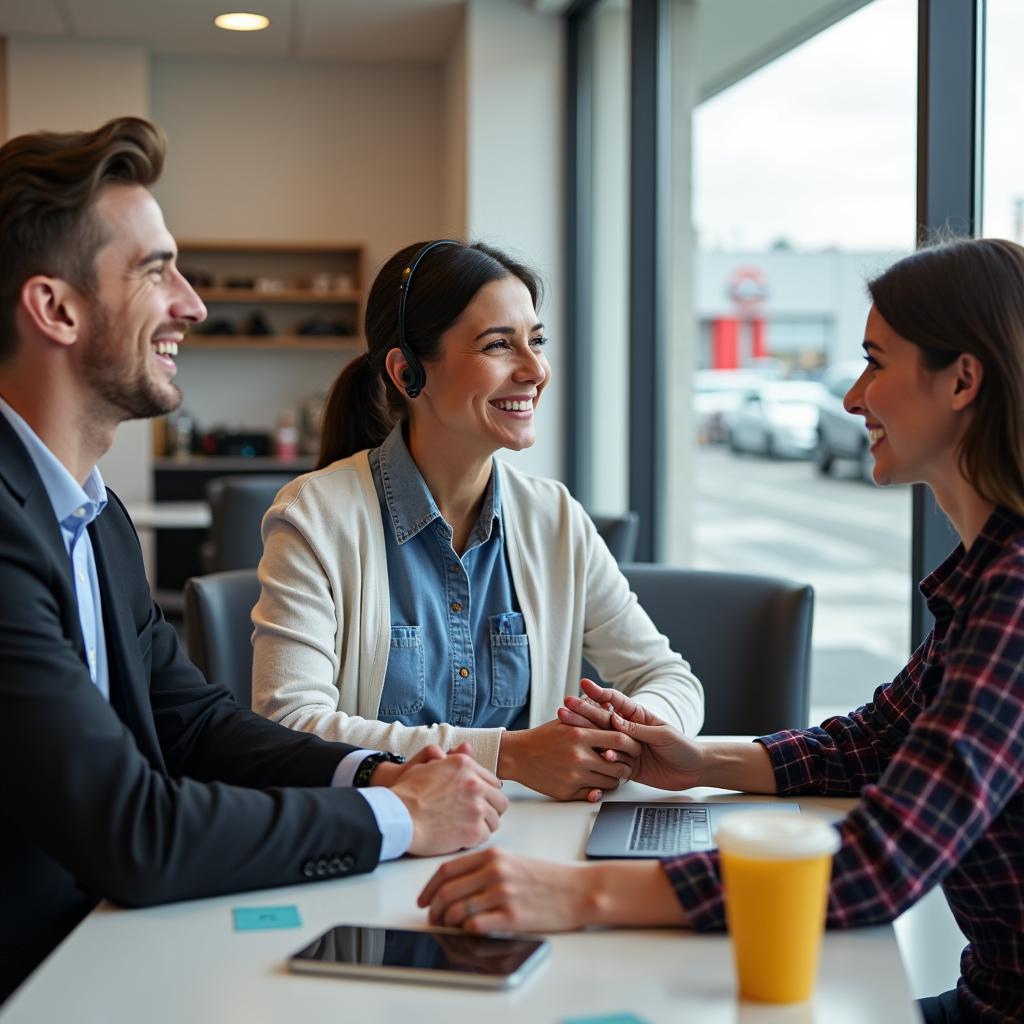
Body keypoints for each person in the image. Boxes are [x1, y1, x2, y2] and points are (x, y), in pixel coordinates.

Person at [418, 238, 1024, 1023]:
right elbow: (870, 744)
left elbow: (881, 864)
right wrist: (692, 759)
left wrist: (577, 890)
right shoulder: (985, 579)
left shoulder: (1012, 594)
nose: (851, 398)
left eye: (875, 362)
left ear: (963, 380)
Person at [0, 118, 507, 1003]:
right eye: (157, 271)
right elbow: (137, 830)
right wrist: (396, 816)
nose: (192, 304)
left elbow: (195, 726)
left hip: (91, 954)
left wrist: (380, 774)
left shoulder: (94, 516)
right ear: (56, 308)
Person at [251, 239, 704, 802]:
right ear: (407, 372)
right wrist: (510, 755)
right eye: (498, 346)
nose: (536, 370)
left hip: (536, 848)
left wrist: (621, 737)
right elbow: (290, 725)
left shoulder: (554, 518)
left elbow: (671, 681)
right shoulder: (314, 518)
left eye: (536, 341)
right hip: (384, 843)